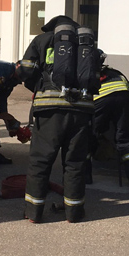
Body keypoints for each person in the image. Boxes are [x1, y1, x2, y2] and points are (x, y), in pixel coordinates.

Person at [19, 15, 98, 223]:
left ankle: (33, 212)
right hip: (82, 109)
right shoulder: (86, 42)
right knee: (75, 162)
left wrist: (39, 87)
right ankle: (74, 213)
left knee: (40, 160)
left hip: (49, 108)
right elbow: (95, 76)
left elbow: (25, 71)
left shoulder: (42, 39)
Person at [91, 65, 129, 190]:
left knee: (87, 135)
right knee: (126, 137)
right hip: (124, 98)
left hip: (100, 100)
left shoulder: (86, 72)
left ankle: (85, 176)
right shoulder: (116, 73)